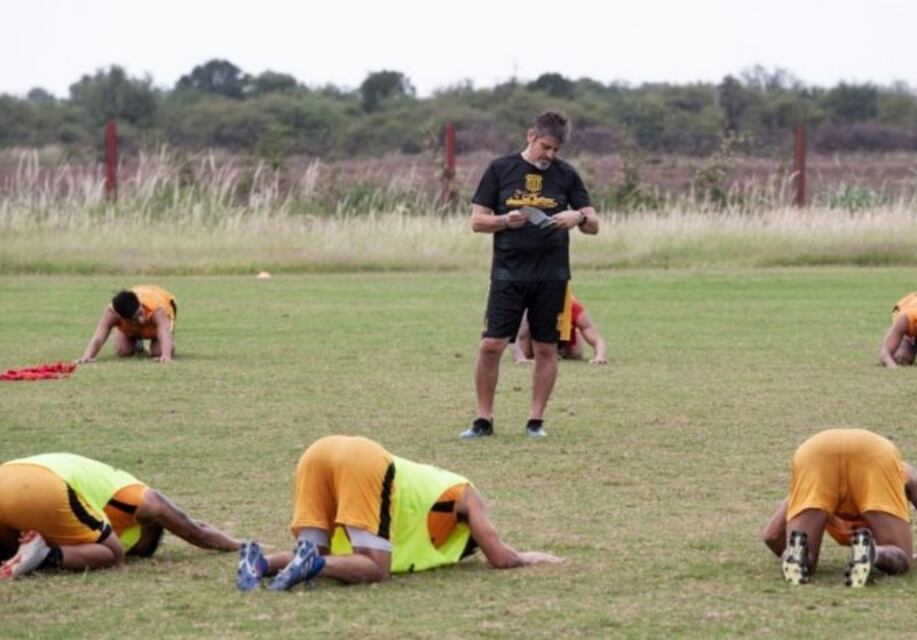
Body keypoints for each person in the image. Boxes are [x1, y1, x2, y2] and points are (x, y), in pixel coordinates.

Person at [235, 435, 561, 591]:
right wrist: (533, 557)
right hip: (364, 459)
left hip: (316, 452)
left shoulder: (435, 485)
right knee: (376, 569)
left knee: (313, 553)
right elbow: (500, 556)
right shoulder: (467, 494)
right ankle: (312, 565)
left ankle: (258, 563)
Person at [462, 110, 599, 439]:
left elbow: (594, 224)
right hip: (508, 274)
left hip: (552, 276)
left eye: (556, 151)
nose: (549, 156)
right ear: (531, 136)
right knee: (491, 345)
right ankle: (483, 420)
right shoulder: (500, 169)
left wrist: (577, 217)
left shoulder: (566, 175)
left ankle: (535, 422)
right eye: (546, 148)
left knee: (547, 347)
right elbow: (477, 221)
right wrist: (505, 221)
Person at [761, 429, 917, 587]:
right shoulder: (902, 473)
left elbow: (772, 536)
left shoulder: (810, 488)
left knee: (807, 564)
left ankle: (798, 555)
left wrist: (788, 550)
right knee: (899, 554)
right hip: (874, 454)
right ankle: (874, 553)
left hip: (815, 451)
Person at [0, 453, 241, 579]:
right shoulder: (138, 495)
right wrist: (240, 545)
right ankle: (44, 556)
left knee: (14, 544)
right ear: (148, 524)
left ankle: (23, 555)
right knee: (113, 554)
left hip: (8, 474)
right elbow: (194, 530)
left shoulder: (103, 479)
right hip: (44, 485)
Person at [77, 285, 177, 364]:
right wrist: (87, 356)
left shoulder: (157, 308)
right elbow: (99, 336)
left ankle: (165, 345)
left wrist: (166, 356)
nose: (141, 320)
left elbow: (164, 333)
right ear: (121, 317)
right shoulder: (112, 313)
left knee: (158, 352)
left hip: (158, 320)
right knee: (123, 351)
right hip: (129, 326)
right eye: (135, 319)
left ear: (139, 303)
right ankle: (138, 343)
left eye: (140, 313)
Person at [512, 296, 607, 365]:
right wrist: (520, 357)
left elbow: (597, 340)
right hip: (534, 333)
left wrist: (600, 356)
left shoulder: (573, 307)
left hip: (564, 338)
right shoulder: (533, 308)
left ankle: (562, 343)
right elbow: (515, 335)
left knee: (574, 354)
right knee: (527, 352)